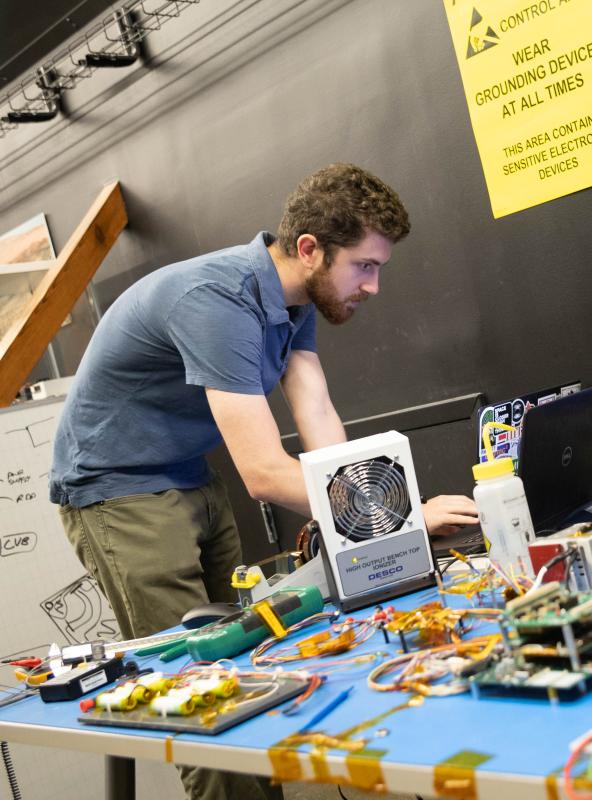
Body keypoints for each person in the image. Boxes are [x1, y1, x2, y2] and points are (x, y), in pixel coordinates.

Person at [49, 163, 478, 800]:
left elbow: (318, 418)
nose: (374, 285)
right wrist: (403, 518)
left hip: (190, 476)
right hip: (118, 491)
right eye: (364, 266)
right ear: (310, 249)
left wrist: (367, 520)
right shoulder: (217, 300)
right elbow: (262, 473)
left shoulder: (293, 298)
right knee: (199, 693)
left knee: (248, 659)